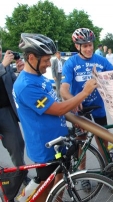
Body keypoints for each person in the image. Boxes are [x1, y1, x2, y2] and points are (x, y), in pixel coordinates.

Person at [13, 33, 97, 202]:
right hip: (45, 147)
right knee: (44, 194)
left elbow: (54, 103)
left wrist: (72, 104)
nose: (48, 64)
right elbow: (57, 109)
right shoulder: (26, 85)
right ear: (31, 57)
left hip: (57, 142)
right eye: (45, 60)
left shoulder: (38, 78)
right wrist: (84, 92)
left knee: (58, 185)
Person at [60, 28, 113, 190]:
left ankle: (107, 170)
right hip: (79, 111)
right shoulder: (71, 63)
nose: (88, 48)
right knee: (81, 144)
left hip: (98, 108)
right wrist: (72, 100)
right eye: (84, 46)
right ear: (77, 46)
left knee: (103, 140)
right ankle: (82, 174)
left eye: (90, 44)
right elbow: (63, 90)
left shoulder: (101, 60)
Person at [0, 45, 30, 185]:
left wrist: (21, 72)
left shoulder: (5, 66)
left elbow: (14, 84)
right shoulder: (3, 65)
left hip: (6, 112)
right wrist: (2, 66)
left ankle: (22, 175)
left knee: (17, 144)